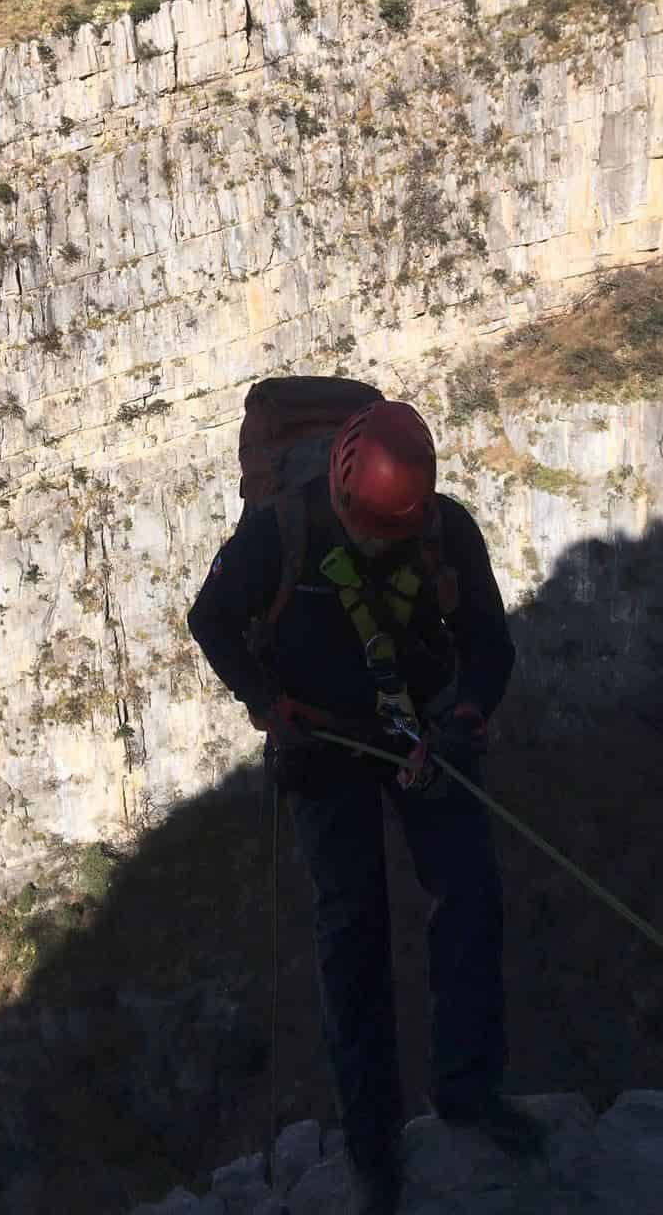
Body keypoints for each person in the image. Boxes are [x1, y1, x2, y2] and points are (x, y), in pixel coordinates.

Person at [187, 399, 546, 1214]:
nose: (383, 548)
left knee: (471, 894)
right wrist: (270, 705)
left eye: (395, 536)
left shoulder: (443, 532)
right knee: (353, 930)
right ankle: (372, 1144)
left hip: (421, 732)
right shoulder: (280, 535)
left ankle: (469, 1092)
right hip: (325, 745)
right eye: (372, 536)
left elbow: (489, 644)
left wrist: (462, 718)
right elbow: (210, 620)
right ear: (345, 499)